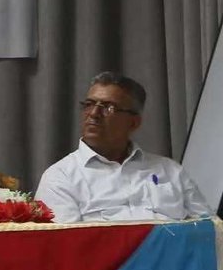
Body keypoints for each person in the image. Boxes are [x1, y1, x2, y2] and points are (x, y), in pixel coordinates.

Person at [35, 72, 210, 223]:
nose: (94, 114)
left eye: (108, 107)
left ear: (134, 122)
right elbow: (67, 245)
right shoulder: (60, 178)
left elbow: (211, 229)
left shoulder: (171, 171)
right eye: (89, 104)